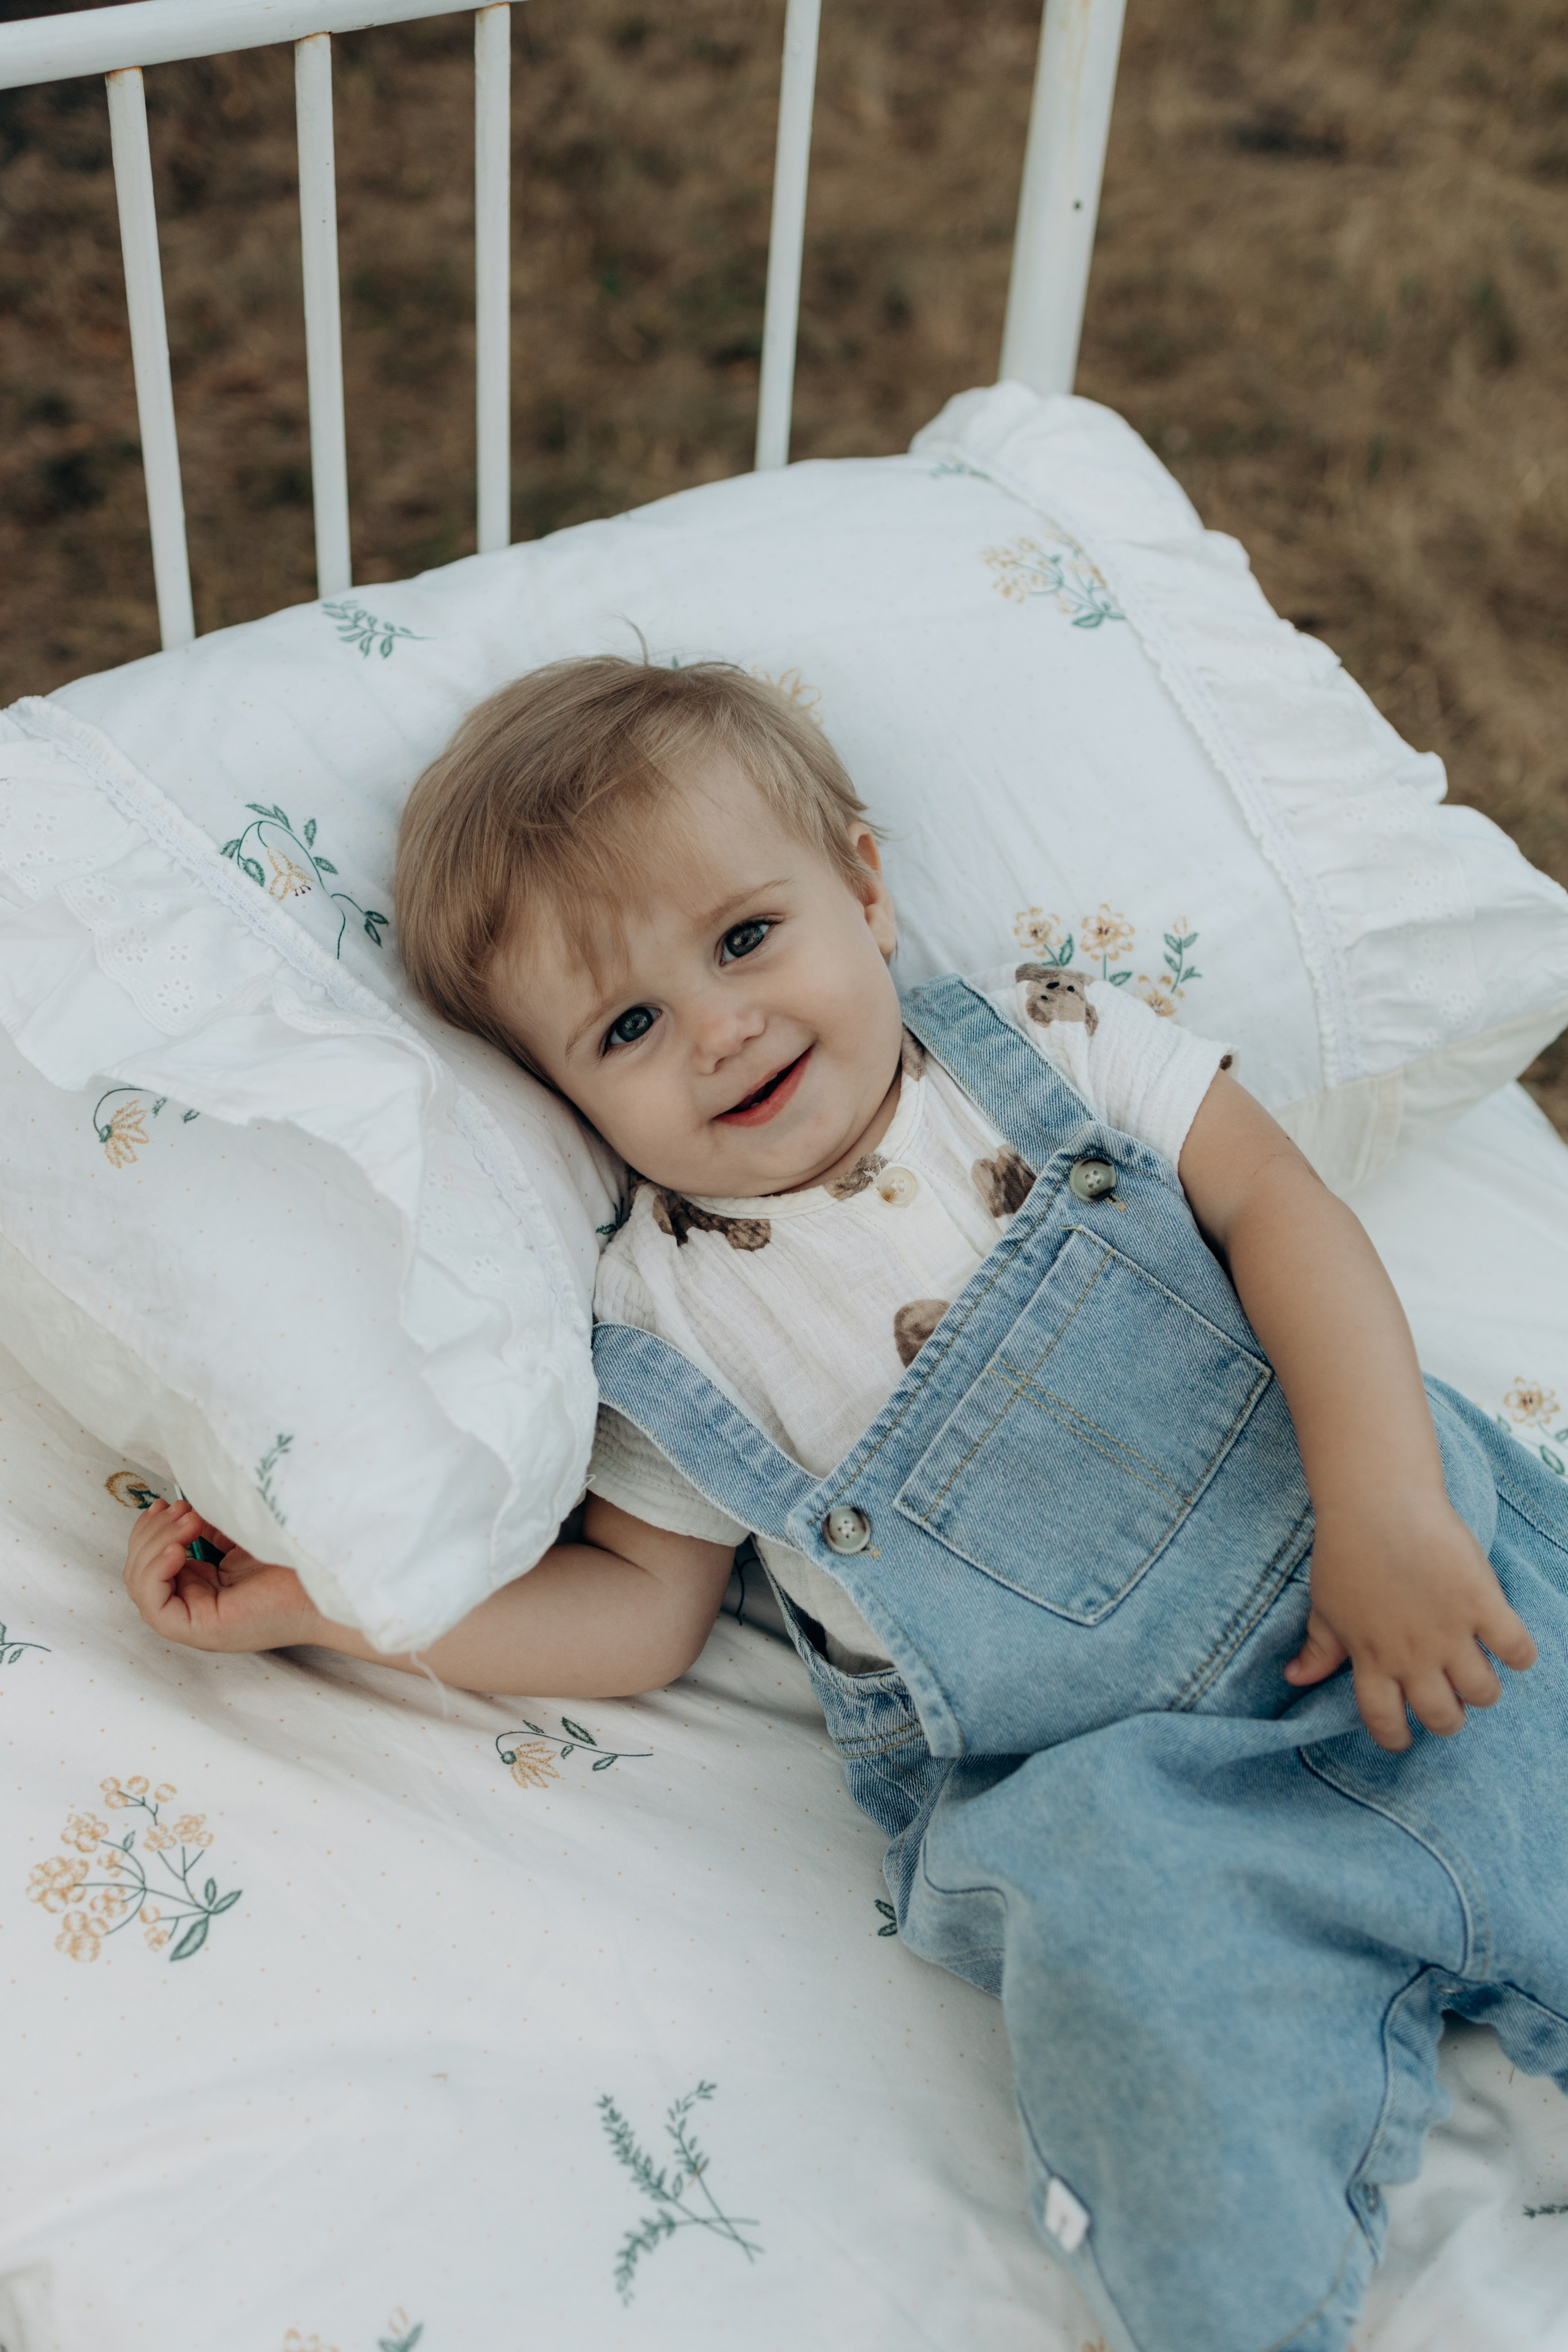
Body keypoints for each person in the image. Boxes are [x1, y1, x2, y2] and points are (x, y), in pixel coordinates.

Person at [124, 658, 1567, 2352]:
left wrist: (1386, 1503)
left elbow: (1285, 1214)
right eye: (627, 1028)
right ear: (560, 1096)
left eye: (743, 941)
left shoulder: (1048, 1041)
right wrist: (330, 1598)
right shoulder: (660, 1331)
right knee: (1137, 2004)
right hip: (1132, 1803)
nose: (719, 1028)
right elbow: (641, 1616)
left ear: (868, 893)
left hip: (1395, 1595)